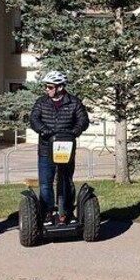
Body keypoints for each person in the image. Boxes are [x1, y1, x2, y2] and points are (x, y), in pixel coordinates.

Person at [29, 70, 90, 224]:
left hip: (66, 148)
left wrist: (75, 131)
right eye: (47, 87)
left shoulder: (74, 102)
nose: (47, 89)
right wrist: (43, 130)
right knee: (45, 183)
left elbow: (83, 120)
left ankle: (67, 212)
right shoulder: (42, 102)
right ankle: (48, 212)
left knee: (66, 181)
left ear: (60, 87)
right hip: (45, 149)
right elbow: (34, 119)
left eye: (50, 87)